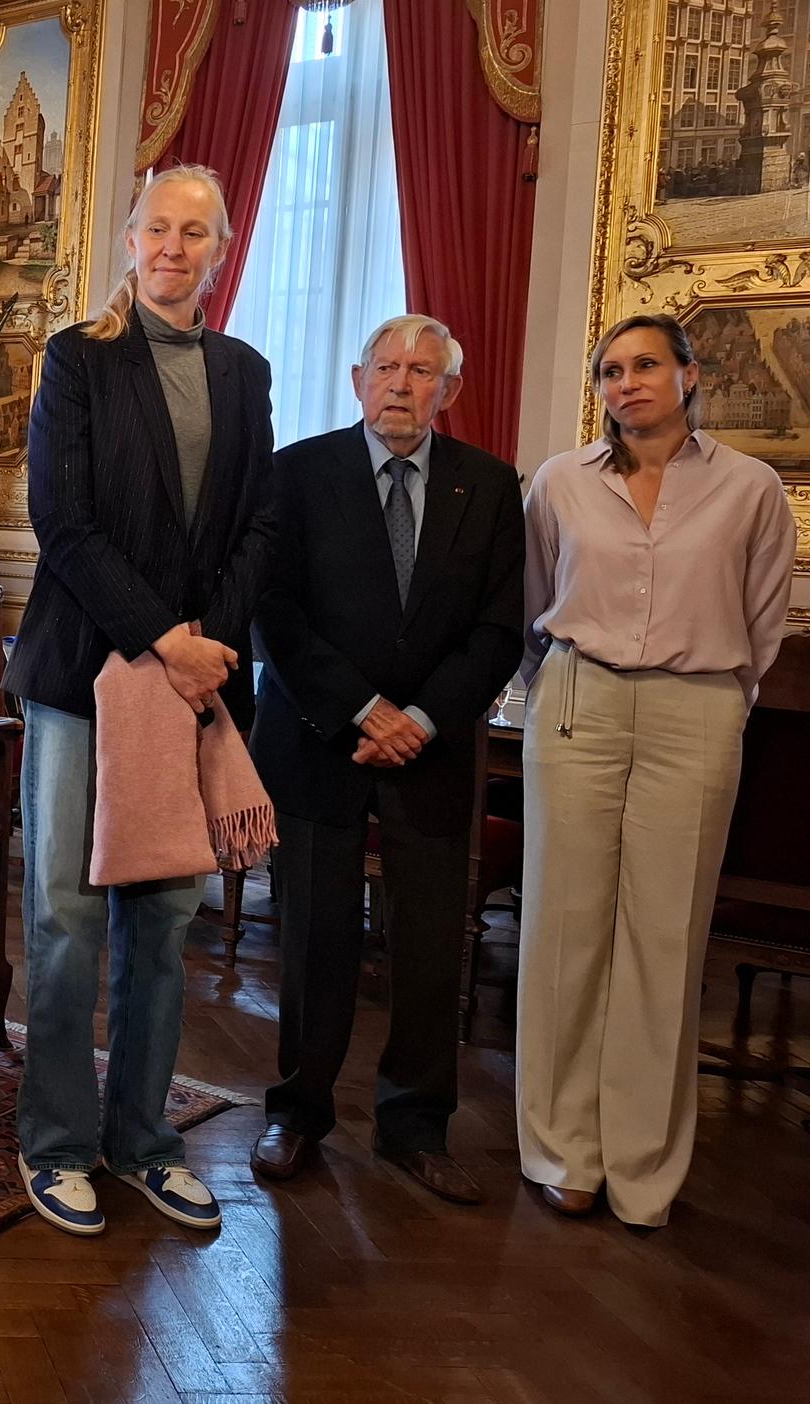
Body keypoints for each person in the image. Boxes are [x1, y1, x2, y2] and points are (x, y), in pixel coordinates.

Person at [0, 166, 277, 1239]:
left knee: (163, 924)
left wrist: (204, 651)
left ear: (220, 248)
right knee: (66, 920)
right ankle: (57, 1143)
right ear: (129, 239)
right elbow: (60, 519)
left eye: (195, 231)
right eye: (158, 227)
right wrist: (161, 637)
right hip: (86, 677)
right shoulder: (79, 358)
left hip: (196, 685)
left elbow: (260, 524)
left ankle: (143, 1141)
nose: (174, 245)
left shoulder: (245, 371)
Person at [515, 314, 795, 1227]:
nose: (626, 383)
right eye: (609, 372)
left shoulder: (751, 488)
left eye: (645, 366)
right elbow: (534, 599)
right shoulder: (560, 483)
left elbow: (761, 625)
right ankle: (564, 1151)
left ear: (688, 374)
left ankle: (642, 1169)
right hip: (578, 699)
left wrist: (715, 699)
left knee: (665, 939)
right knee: (564, 927)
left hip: (697, 706)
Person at [248, 315, 523, 1205]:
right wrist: (363, 709)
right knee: (315, 940)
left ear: (451, 389)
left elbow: (497, 627)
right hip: (321, 740)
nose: (402, 384)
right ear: (357, 376)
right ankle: (298, 1112)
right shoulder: (298, 470)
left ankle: (416, 1127)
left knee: (430, 945)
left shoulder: (488, 485)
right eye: (388, 367)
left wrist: (424, 719)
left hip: (432, 753)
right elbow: (276, 614)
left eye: (424, 371)